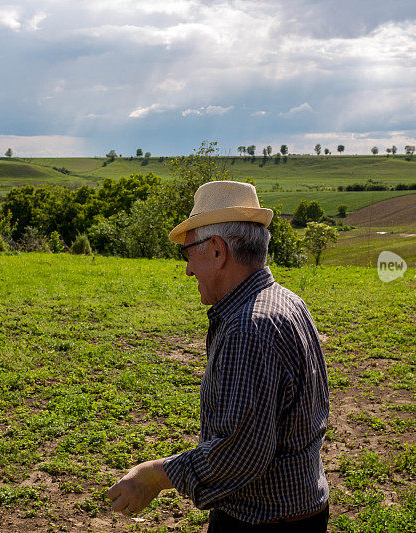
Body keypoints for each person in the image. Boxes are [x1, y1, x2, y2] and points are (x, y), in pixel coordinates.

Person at [106, 181, 329, 531]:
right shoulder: (286, 300)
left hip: (263, 520)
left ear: (216, 250)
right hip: (299, 508)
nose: (188, 269)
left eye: (188, 253)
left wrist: (155, 475)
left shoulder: (248, 327)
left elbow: (238, 454)